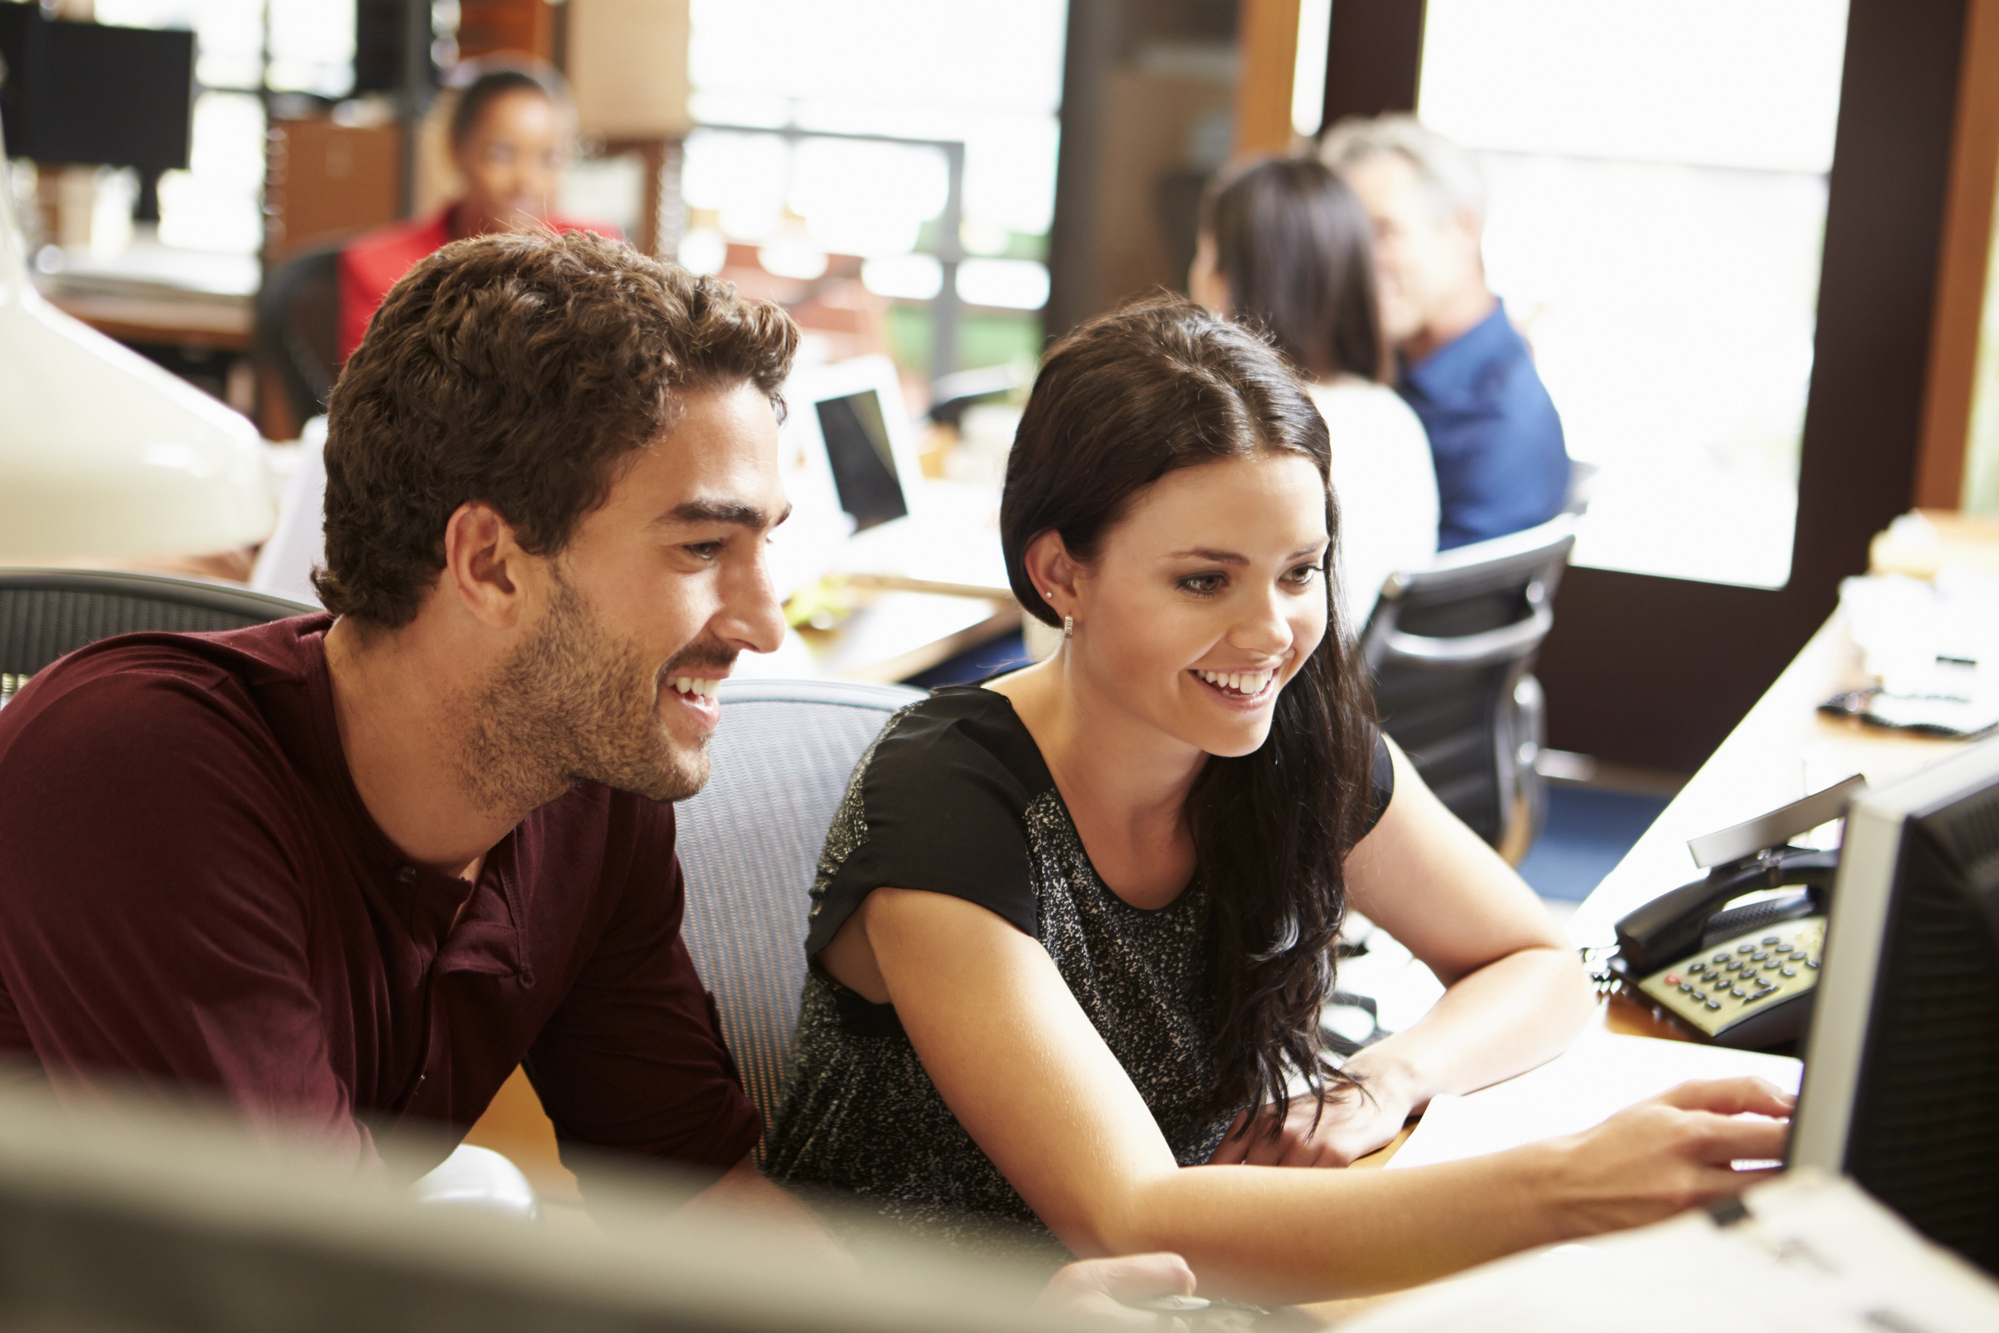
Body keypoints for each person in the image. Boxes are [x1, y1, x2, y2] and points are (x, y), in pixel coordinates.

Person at [0, 228, 1191, 1319]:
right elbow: (302, 1291)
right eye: (700, 547)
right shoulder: (135, 774)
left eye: (764, 543)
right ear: (489, 562)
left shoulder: (589, 800)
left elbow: (696, 1203)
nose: (765, 621)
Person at [764, 298, 1792, 1303]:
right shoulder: (947, 797)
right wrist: (1567, 1185)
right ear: (1059, 574)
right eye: (1205, 582)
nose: (1271, 634)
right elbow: (1131, 1216)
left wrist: (1392, 1076)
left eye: (1299, 572)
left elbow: (1534, 963)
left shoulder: (1293, 740)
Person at [1188, 156, 1437, 626]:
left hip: (1260, 686)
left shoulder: (1238, 434)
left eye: (1203, 253)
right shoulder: (1396, 419)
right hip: (1352, 692)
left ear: (1224, 280)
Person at [1319, 115, 1570, 550]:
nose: (1356, 261)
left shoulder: (1499, 418)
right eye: (1347, 237)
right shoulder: (1391, 367)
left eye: (1383, 231)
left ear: (1463, 227)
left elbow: (1438, 613)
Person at [337, 64, 607, 361]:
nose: (526, 182)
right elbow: (375, 393)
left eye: (549, 158)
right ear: (456, 148)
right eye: (501, 155)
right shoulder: (380, 268)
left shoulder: (593, 255)